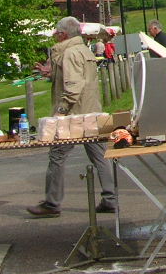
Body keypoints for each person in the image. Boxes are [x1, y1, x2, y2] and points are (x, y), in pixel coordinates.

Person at [27, 16, 117, 217]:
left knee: (57, 155)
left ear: (63, 34)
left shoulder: (69, 53)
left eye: (56, 34)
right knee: (100, 156)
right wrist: (51, 74)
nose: (54, 37)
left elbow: (74, 87)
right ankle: (110, 199)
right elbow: (78, 79)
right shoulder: (84, 49)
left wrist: (60, 111)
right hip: (92, 111)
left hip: (73, 116)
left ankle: (52, 203)